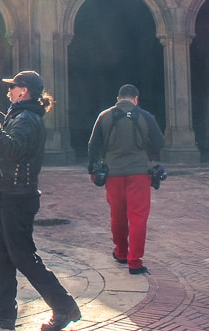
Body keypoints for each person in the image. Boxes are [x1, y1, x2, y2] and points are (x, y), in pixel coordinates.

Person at [0, 70, 81, 331]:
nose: (8, 91)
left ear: (25, 91)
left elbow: (12, 151)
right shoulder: (21, 115)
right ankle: (4, 312)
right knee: (1, 255)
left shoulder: (27, 118)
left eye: (13, 87)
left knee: (22, 255)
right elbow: (11, 141)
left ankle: (63, 306)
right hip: (9, 194)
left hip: (17, 198)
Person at [86, 84, 165, 275]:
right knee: (138, 217)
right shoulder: (145, 116)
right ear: (135, 99)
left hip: (113, 173)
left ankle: (121, 252)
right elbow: (159, 142)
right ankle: (134, 261)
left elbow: (93, 145)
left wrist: (92, 169)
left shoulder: (105, 116)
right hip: (139, 173)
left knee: (117, 215)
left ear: (118, 98)